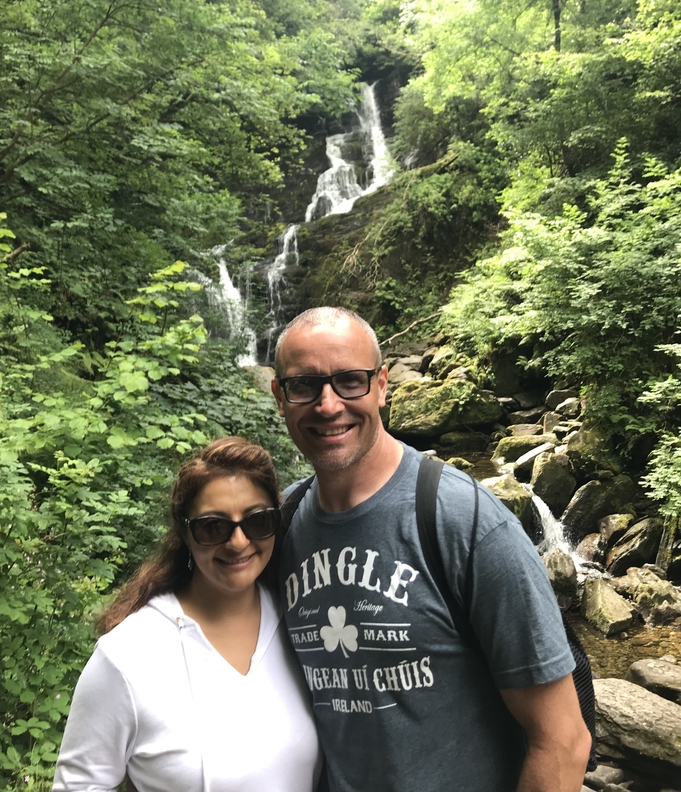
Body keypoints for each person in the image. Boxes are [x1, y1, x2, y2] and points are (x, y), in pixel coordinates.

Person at [271, 307, 592, 792]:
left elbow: (563, 741)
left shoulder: (464, 520)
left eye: (350, 381)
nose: (328, 404)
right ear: (280, 396)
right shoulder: (280, 524)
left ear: (382, 385)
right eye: (304, 385)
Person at [53, 436, 322, 792]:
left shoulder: (300, 623)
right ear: (185, 532)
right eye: (213, 527)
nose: (238, 542)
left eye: (257, 522)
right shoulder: (127, 656)